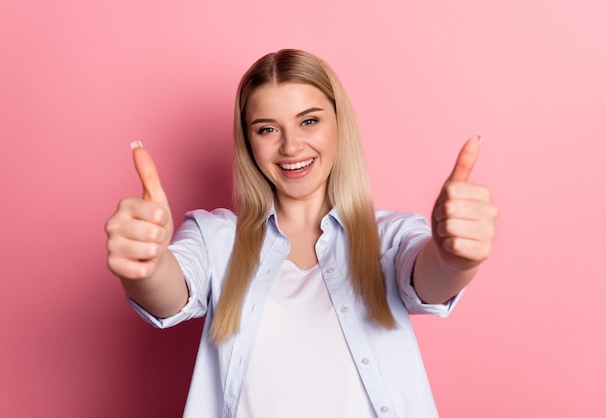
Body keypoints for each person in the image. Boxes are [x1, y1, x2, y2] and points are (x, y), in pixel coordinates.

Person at [105, 49, 497, 418]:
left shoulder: (389, 236)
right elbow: (168, 293)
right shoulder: (215, 238)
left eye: (309, 121)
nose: (291, 146)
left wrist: (453, 257)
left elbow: (430, 278)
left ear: (339, 123)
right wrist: (147, 265)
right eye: (267, 129)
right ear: (249, 142)